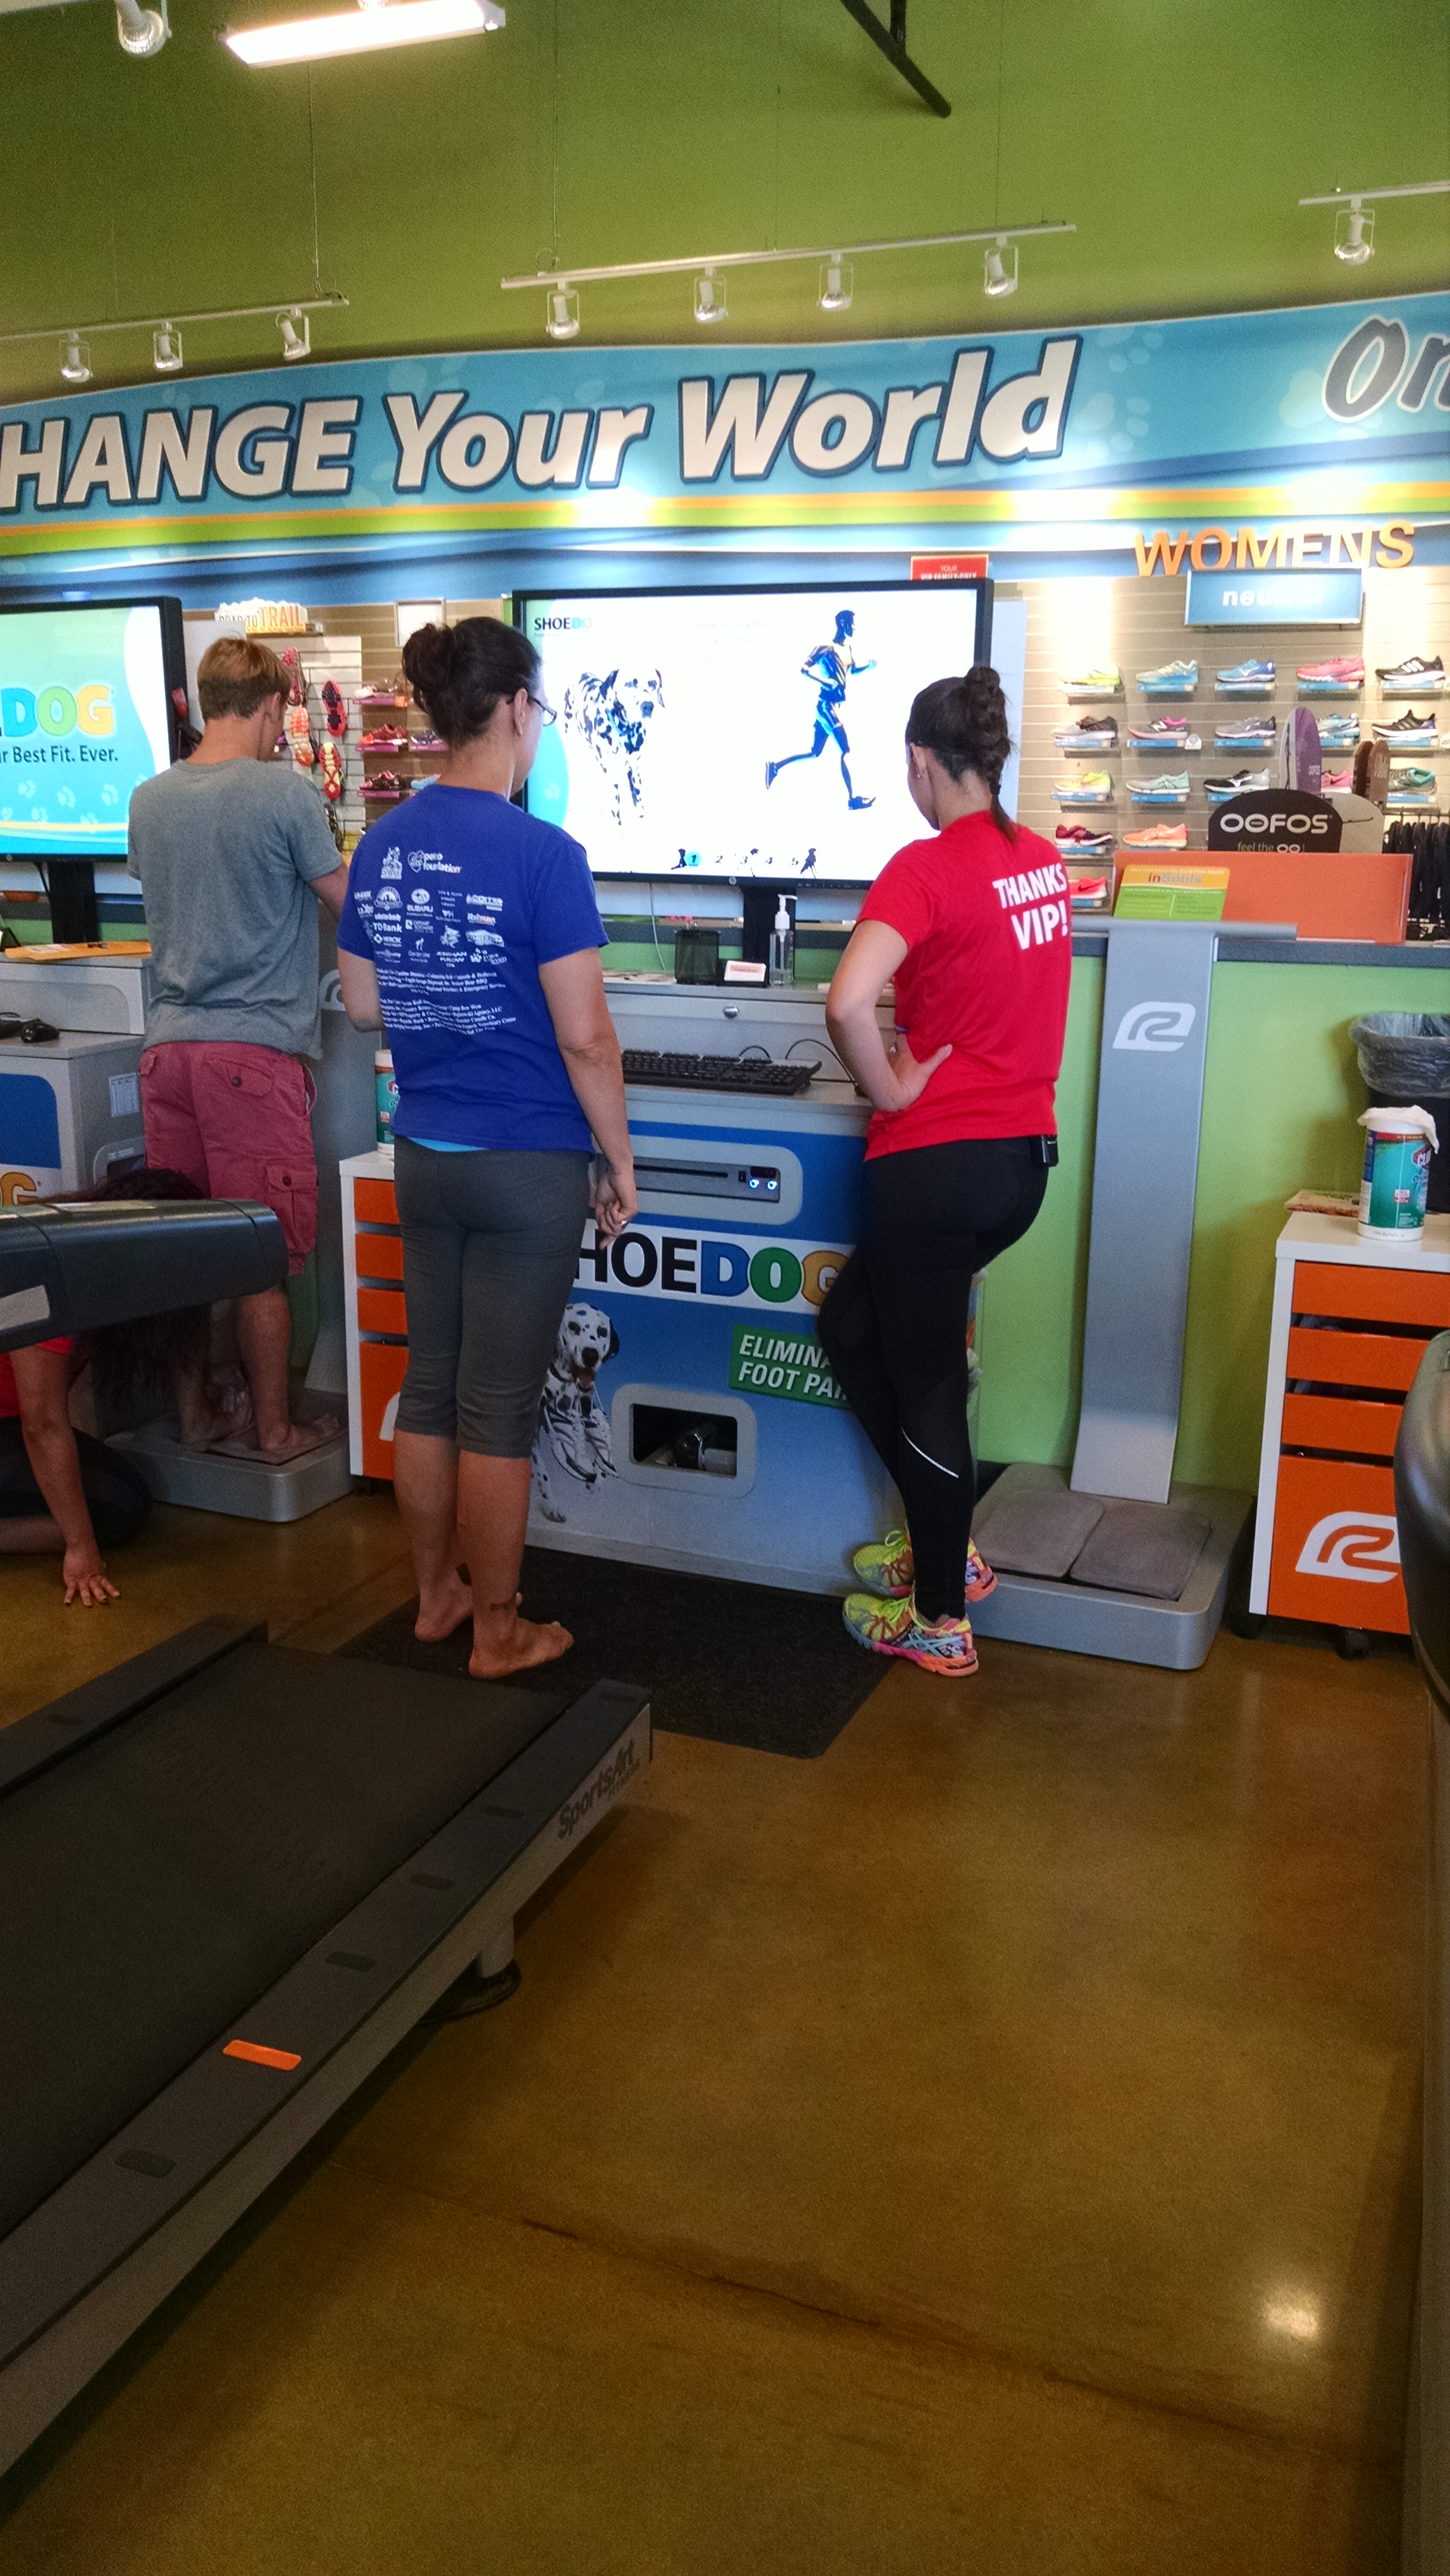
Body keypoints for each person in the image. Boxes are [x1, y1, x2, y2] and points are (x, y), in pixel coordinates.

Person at [336, 616, 636, 1682]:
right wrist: (620, 1161)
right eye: (541, 708)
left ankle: (435, 1599)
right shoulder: (545, 855)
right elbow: (587, 1039)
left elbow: (362, 1005)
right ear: (514, 709)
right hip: (526, 1165)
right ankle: (499, 1632)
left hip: (424, 1153)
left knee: (430, 1387)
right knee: (499, 1408)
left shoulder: (382, 844)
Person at [817, 666, 1072, 1677]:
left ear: (922, 762)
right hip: (1019, 1170)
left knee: (925, 1387)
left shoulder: (922, 869)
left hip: (932, 1169)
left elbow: (846, 1003)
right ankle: (941, 1540)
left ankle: (938, 1617)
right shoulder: (1043, 862)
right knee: (850, 1329)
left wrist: (888, 1086)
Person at [126, 636, 351, 1462]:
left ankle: (197, 1418)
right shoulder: (282, 793)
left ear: (199, 701)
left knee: (184, 1257)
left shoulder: (149, 798)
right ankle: (276, 1428)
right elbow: (346, 903)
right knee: (262, 1258)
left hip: (166, 1057)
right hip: (250, 1062)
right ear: (270, 707)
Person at [765, 609, 876, 809]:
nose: (855, 628)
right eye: (852, 624)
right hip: (827, 706)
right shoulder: (825, 648)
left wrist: (867, 666)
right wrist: (826, 682)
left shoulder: (848, 649)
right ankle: (853, 799)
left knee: (815, 752)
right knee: (846, 750)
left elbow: (852, 670)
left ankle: (776, 767)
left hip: (833, 706)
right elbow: (804, 669)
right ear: (843, 624)